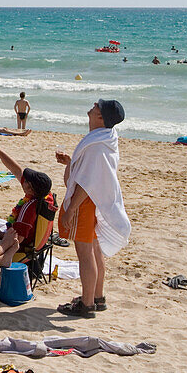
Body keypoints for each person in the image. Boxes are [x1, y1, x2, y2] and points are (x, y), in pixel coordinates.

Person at [55, 99, 131, 318]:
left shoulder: (98, 146)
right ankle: (97, 297)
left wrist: (71, 210)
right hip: (93, 201)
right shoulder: (105, 140)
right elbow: (90, 174)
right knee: (94, 249)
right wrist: (71, 163)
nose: (94, 105)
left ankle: (86, 305)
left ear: (101, 117)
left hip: (85, 202)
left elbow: (89, 183)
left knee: (85, 253)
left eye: (98, 106)